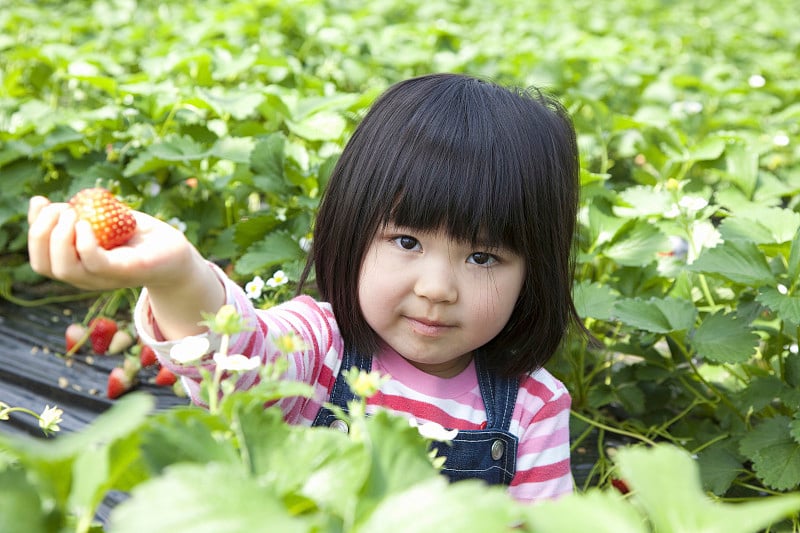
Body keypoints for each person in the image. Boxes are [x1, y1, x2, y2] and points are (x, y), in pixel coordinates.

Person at [27, 73, 583, 503]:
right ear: (353, 227)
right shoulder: (318, 348)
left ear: (535, 272)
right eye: (407, 242)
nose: (437, 288)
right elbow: (235, 355)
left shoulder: (530, 408)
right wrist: (177, 274)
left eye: (483, 256)